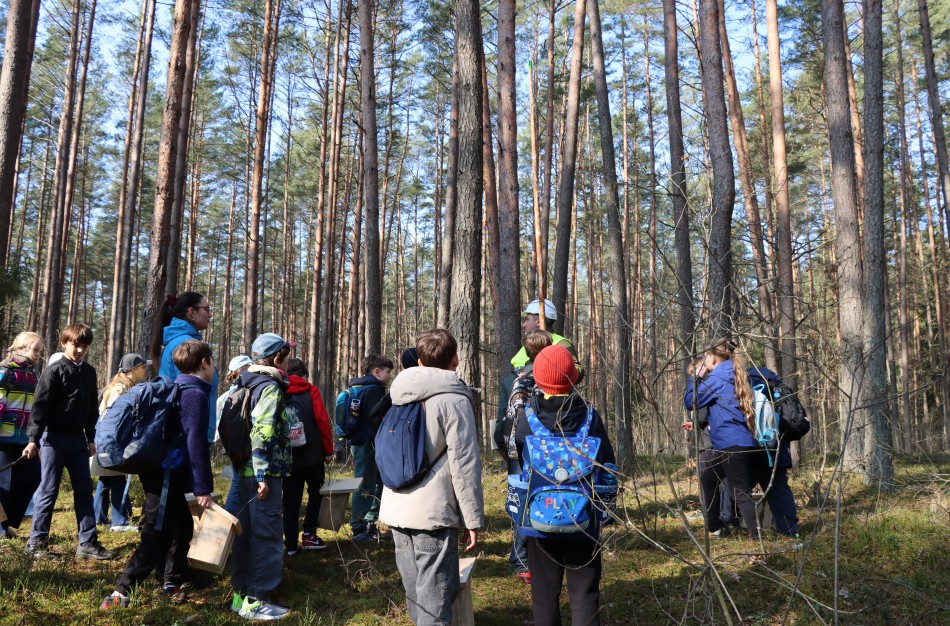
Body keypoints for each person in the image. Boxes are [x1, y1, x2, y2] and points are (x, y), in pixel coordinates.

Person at [379, 329, 484, 626]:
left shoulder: (399, 393)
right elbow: (464, 465)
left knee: (417, 592)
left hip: (396, 506)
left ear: (421, 360)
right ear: (455, 359)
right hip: (432, 512)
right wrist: (473, 519)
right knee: (435, 596)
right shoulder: (454, 400)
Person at [100, 340, 216, 609]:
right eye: (213, 362)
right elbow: (195, 444)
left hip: (166, 471)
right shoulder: (195, 394)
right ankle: (122, 589)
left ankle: (174, 577)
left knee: (182, 525)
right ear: (204, 363)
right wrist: (203, 487)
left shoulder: (180, 388)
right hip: (166, 474)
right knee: (156, 531)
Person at [514, 345, 615, 626]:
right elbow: (608, 466)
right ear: (572, 376)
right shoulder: (590, 416)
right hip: (584, 517)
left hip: (539, 519)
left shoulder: (526, 419)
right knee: (585, 595)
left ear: (538, 378)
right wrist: (607, 509)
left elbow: (516, 457)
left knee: (544, 596)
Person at [24, 323, 113, 560]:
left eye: (84, 346)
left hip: (77, 441)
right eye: (75, 344)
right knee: (48, 489)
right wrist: (33, 439)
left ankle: (87, 543)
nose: (80, 350)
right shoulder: (53, 371)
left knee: (84, 489)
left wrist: (92, 438)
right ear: (65, 343)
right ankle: (36, 543)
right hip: (52, 438)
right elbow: (39, 407)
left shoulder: (89, 372)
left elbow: (91, 408)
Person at [230, 332, 295, 621]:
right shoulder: (269, 387)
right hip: (262, 473)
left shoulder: (243, 382)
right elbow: (264, 430)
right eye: (286, 353)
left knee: (246, 535)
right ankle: (257, 600)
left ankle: (241, 596)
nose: (289, 358)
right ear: (277, 357)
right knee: (267, 535)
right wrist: (262, 474)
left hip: (242, 471)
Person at [683, 338, 762, 540]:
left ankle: (757, 539)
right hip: (738, 443)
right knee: (708, 475)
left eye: (707, 356)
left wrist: (695, 379)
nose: (705, 361)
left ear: (713, 357)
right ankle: (714, 528)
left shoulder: (717, 377)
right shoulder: (734, 372)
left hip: (731, 444)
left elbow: (691, 402)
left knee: (740, 492)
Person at [493, 330, 553, 582]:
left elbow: (501, 421)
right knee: (548, 499)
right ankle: (548, 555)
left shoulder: (511, 380)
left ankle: (520, 562)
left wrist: (505, 449)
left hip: (516, 450)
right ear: (549, 349)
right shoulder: (554, 377)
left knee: (520, 502)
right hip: (549, 452)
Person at [283, 357, 334, 555]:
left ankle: (290, 545)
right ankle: (309, 536)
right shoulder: (311, 390)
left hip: (289, 457)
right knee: (315, 493)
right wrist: (328, 450)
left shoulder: (278, 390)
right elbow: (322, 422)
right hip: (313, 455)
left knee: (290, 500)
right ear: (304, 375)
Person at [94, 353, 150, 531]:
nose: (145, 369)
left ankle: (99, 517)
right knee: (117, 477)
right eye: (142, 367)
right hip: (112, 440)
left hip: (107, 439)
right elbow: (115, 417)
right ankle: (119, 522)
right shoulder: (120, 388)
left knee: (106, 479)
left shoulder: (124, 386)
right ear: (132, 370)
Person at [340, 354, 392, 542]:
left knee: (376, 482)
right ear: (376, 371)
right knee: (365, 485)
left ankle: (369, 524)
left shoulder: (359, 387)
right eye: (387, 372)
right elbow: (374, 417)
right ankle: (359, 528)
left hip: (362, 443)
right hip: (367, 444)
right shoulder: (374, 389)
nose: (389, 376)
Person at [156, 292, 219, 443]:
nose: (210, 315)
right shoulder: (185, 345)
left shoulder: (182, 342)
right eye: (207, 309)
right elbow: (190, 397)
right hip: (186, 439)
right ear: (191, 312)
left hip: (184, 436)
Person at [746, 366, 801, 537]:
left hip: (753, 451)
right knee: (780, 492)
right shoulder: (777, 387)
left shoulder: (747, 386)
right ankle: (790, 531)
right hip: (778, 451)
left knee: (734, 488)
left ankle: (732, 527)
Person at [0, 332, 44, 539]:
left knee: (33, 476)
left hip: (24, 440)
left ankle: (8, 522)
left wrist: (33, 438)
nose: (38, 355)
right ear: (20, 348)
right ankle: (0, 528)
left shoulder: (33, 375)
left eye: (40, 351)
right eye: (35, 350)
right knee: (3, 485)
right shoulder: (5, 372)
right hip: (3, 438)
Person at [509, 299, 582, 377]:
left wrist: (552, 377)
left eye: (527, 319)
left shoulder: (561, 343)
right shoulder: (529, 343)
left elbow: (577, 371)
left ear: (539, 321)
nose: (524, 325)